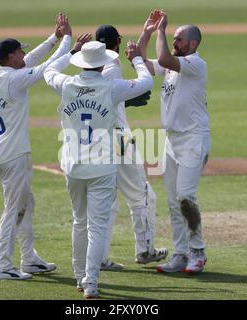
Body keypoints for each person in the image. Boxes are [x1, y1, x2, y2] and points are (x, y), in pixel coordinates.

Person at [44, 37, 153, 298]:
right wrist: (137, 57)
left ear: (81, 62)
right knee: (97, 227)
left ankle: (78, 276)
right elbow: (147, 81)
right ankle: (90, 281)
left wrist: (71, 50)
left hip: (73, 166)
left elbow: (48, 70)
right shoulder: (111, 87)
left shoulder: (67, 83)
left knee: (79, 222)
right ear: (103, 63)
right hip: (102, 167)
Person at [0, 13, 72, 280]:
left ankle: (29, 258)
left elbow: (33, 60)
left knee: (26, 203)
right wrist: (70, 43)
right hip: (13, 154)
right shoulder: (14, 80)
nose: (23, 54)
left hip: (3, 152)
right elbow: (47, 67)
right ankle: (3, 265)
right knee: (13, 209)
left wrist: (54, 37)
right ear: (11, 57)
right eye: (19, 52)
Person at [138, 10, 210, 273]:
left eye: (179, 39)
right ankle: (180, 254)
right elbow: (144, 63)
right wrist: (146, 32)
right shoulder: (171, 68)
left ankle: (198, 252)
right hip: (172, 140)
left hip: (193, 139)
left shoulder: (194, 64)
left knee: (185, 197)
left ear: (192, 44)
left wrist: (161, 31)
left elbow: (164, 57)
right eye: (174, 38)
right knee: (172, 200)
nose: (175, 42)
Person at [95, 25, 168, 271]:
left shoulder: (89, 67)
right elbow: (143, 82)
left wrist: (124, 100)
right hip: (118, 140)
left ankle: (98, 258)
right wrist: (136, 58)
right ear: (117, 42)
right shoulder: (113, 65)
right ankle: (145, 250)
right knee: (142, 195)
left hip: (94, 143)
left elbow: (103, 99)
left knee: (105, 201)